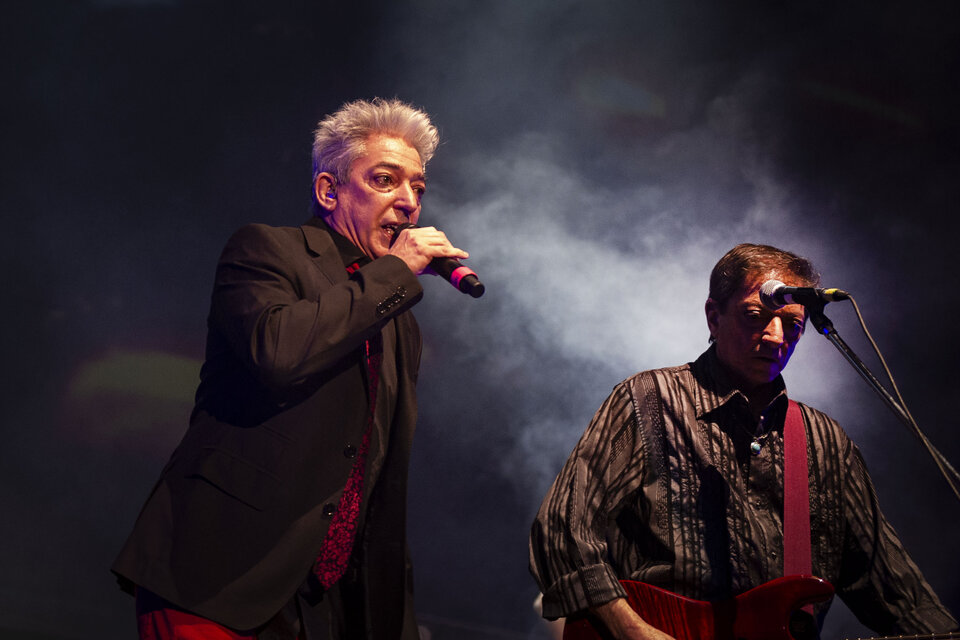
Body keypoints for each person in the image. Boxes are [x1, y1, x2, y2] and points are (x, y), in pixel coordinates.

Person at [113, 98, 470, 639]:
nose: (408, 203)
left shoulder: (397, 321)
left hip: (315, 604)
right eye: (384, 180)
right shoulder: (267, 251)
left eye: (417, 187)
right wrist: (396, 270)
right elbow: (279, 354)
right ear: (329, 190)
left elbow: (378, 478)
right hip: (214, 573)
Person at [529, 243, 957, 639]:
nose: (775, 336)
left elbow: (896, 592)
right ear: (714, 317)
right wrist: (633, 632)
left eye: (792, 324)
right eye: (756, 317)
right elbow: (562, 529)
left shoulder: (826, 442)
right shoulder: (648, 400)